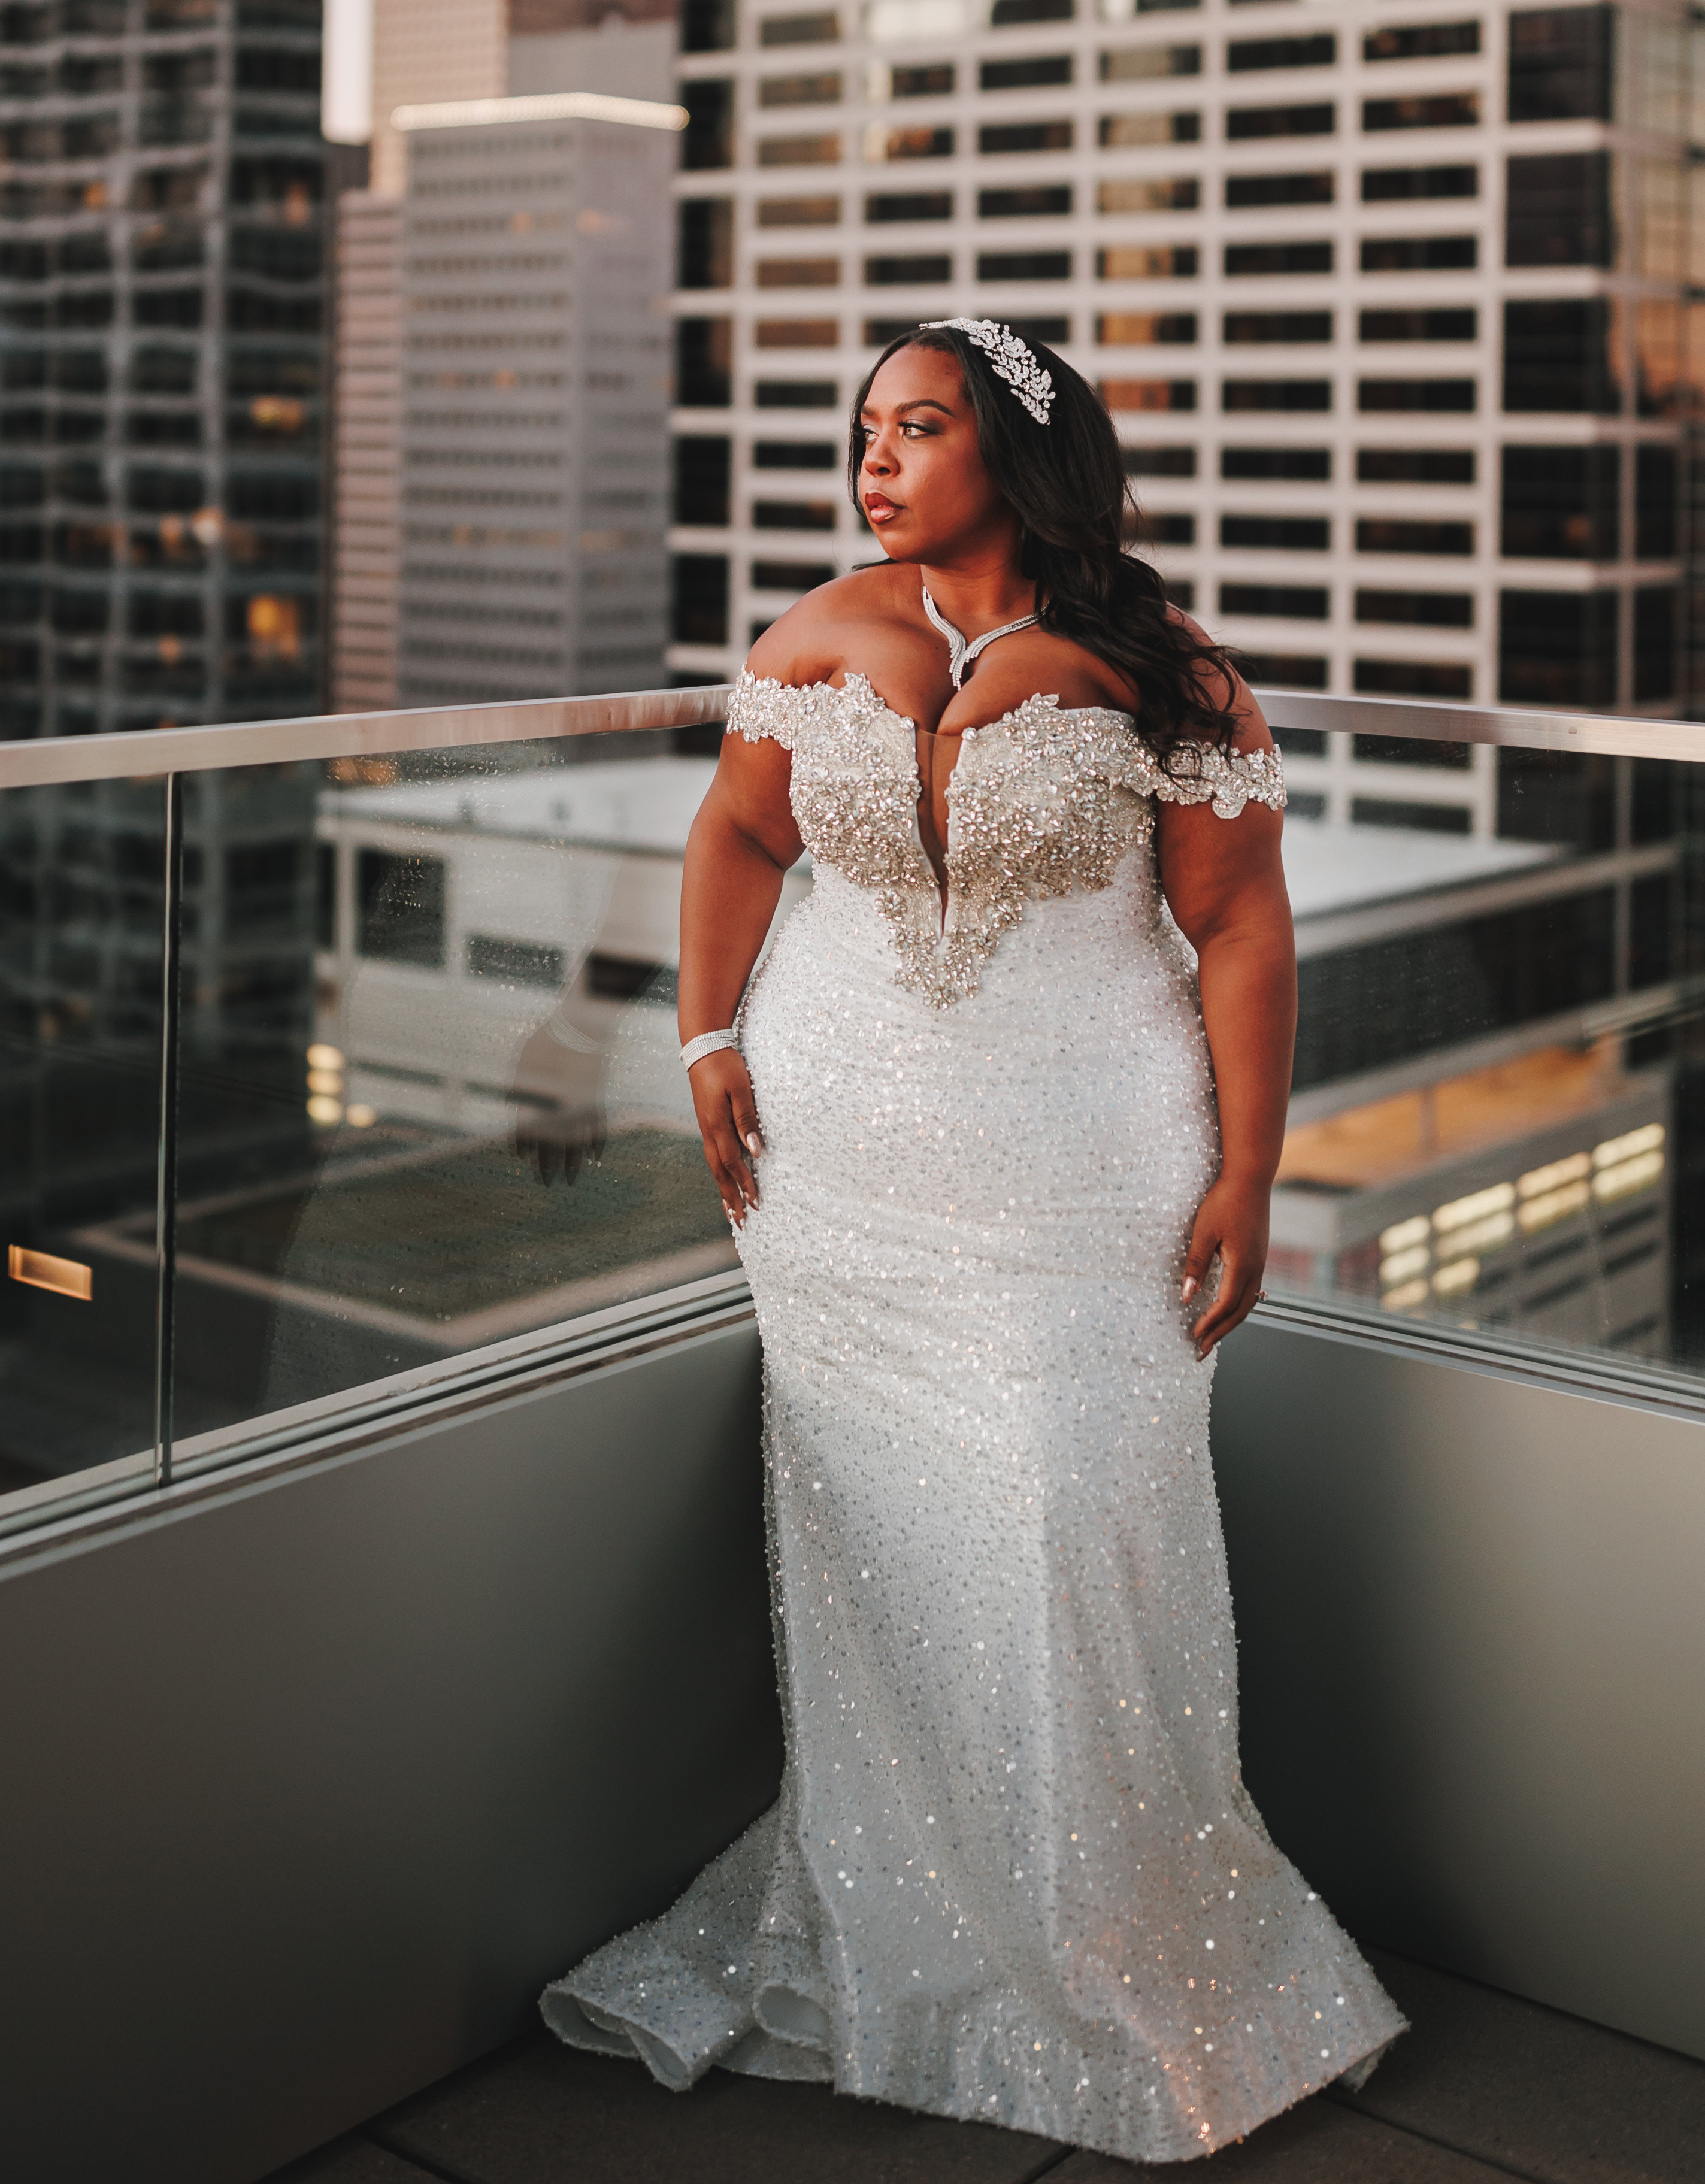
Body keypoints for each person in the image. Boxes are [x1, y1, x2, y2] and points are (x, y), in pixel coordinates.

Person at [541, 320, 1403, 2162]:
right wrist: (704, 1043)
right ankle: (915, 1929)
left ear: (1014, 455)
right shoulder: (812, 636)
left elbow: (1243, 928)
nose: (874, 460)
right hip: (834, 1172)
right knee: (874, 1547)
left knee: (1070, 1509)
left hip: (1085, 1168)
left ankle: (1117, 1939)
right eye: (863, 430)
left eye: (918, 428)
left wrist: (1252, 1171)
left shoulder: (1164, 673)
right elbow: (735, 836)